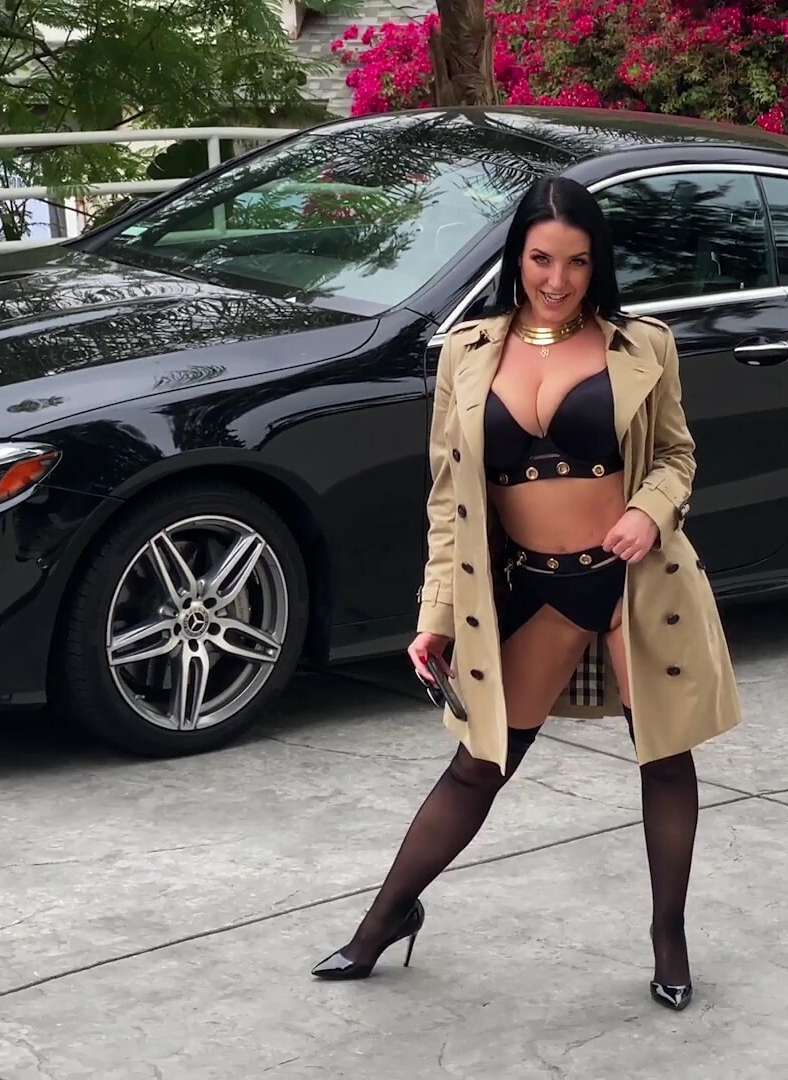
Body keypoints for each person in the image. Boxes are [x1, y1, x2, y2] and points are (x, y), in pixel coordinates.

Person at [310, 175, 743, 1011]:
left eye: (576, 262)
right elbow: (449, 499)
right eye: (542, 259)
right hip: (535, 587)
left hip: (634, 584)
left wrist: (649, 513)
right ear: (517, 258)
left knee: (664, 757)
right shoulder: (467, 353)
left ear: (596, 264)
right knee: (478, 767)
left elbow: (677, 457)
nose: (557, 279)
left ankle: (670, 937)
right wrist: (437, 614)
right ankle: (383, 922)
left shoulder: (642, 346)